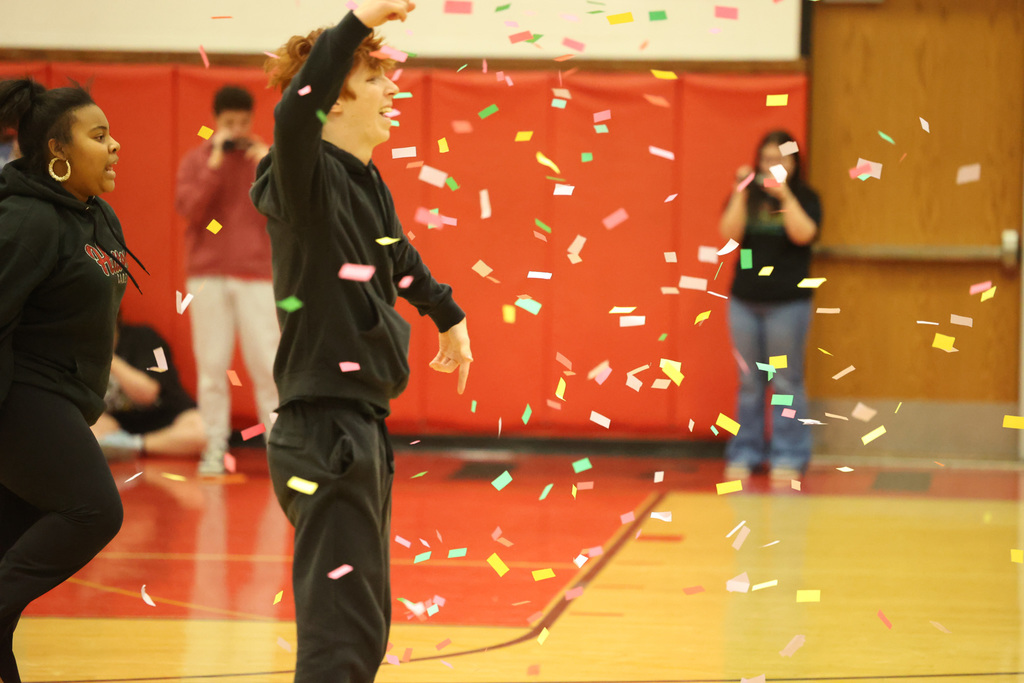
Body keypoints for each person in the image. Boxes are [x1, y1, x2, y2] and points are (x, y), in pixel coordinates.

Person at [251, 1, 472, 680]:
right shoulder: (303, 174)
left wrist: (447, 312)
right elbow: (293, 112)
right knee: (339, 641)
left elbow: (397, 254)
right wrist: (359, 19)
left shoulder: (362, 179)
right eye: (375, 78)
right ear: (334, 100)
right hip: (325, 430)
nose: (393, 88)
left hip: (359, 422)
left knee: (365, 628)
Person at [0, 77, 145, 683]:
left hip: (65, 398)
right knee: (94, 509)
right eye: (99, 135)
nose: (114, 146)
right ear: (58, 151)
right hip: (23, 396)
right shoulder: (25, 219)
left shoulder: (96, 215)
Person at [175, 85, 279, 476]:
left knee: (268, 365)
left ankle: (279, 447)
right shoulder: (198, 159)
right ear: (215, 121)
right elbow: (190, 209)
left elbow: (289, 208)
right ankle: (214, 447)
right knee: (212, 365)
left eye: (242, 121)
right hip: (207, 275)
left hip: (257, 273)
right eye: (228, 122)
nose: (236, 128)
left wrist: (271, 165)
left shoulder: (267, 160)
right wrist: (215, 163)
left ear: (252, 120)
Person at [719, 130, 821, 484]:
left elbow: (803, 234)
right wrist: (738, 191)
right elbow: (728, 235)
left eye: (781, 160)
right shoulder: (749, 197)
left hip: (787, 304)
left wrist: (785, 196)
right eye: (766, 159)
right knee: (749, 381)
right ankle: (745, 452)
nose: (773, 166)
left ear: (794, 164)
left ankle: (789, 454)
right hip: (745, 301)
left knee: (785, 381)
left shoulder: (806, 198)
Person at [91, 316, 208, 461]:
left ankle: (135, 447)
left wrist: (108, 358)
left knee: (203, 430)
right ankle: (126, 446)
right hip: (117, 427)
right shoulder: (75, 354)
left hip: (166, 418)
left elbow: (148, 393)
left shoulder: (146, 337)